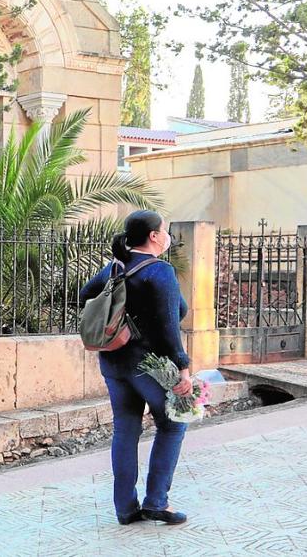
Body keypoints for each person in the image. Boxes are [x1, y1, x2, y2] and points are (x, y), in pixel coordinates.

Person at [79, 210, 192, 526]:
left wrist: (122, 320)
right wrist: (183, 368)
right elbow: (172, 325)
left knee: (126, 430)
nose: (167, 235)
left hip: (113, 361)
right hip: (149, 365)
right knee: (173, 424)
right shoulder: (159, 272)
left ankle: (126, 508)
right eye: (164, 230)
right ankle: (157, 502)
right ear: (154, 236)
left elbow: (86, 295)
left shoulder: (115, 267)